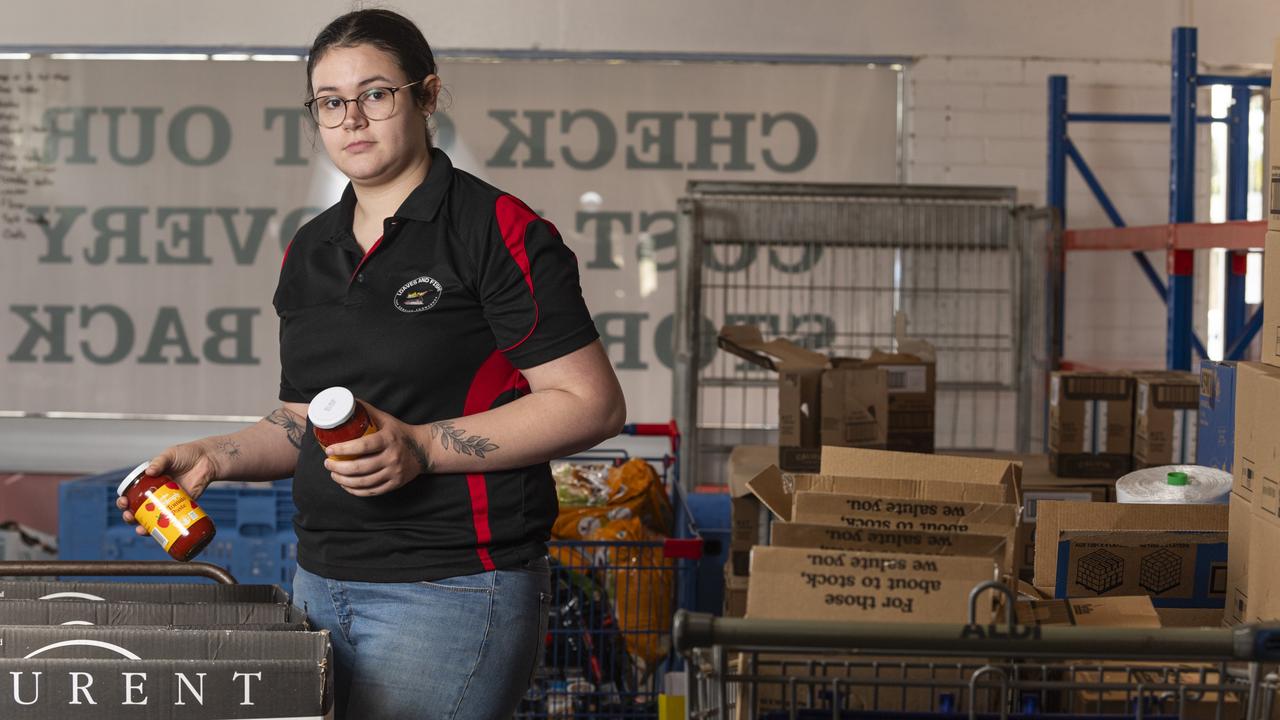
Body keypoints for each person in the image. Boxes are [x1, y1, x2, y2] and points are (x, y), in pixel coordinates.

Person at [117, 8, 625, 719]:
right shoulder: (310, 250)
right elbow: (304, 418)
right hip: (318, 582)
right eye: (330, 102)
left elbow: (589, 402)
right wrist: (216, 454)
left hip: (453, 587)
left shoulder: (495, 229)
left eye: (376, 94)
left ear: (426, 95)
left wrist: (421, 447)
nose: (351, 118)